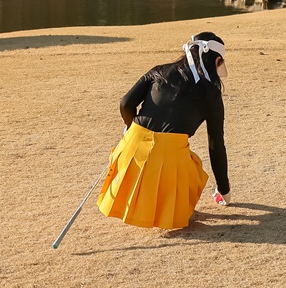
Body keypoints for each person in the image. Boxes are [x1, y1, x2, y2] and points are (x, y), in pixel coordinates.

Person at [95, 32, 232, 230]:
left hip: (131, 148)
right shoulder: (211, 93)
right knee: (194, 167)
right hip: (168, 158)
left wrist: (130, 127)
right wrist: (224, 189)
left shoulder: (159, 71)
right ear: (217, 61)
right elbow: (216, 145)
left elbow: (125, 103)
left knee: (167, 160)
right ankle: (170, 209)